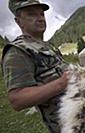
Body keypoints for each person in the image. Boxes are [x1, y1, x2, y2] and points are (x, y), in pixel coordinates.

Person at [2, 0, 70, 132]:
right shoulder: (17, 51)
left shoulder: (48, 46)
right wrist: (61, 83)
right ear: (19, 21)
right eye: (32, 14)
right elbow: (17, 99)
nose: (40, 19)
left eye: (41, 14)